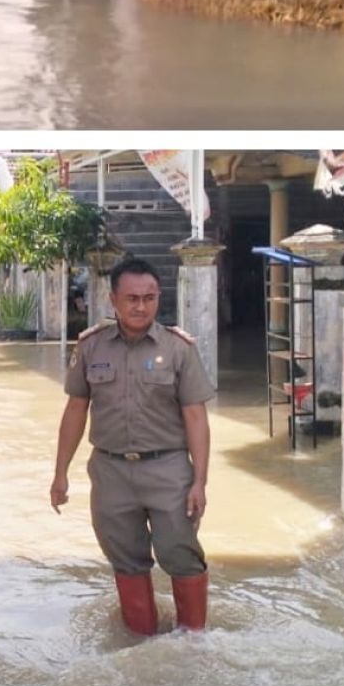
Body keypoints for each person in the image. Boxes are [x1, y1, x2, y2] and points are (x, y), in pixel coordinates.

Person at [50, 257, 213, 635]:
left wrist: (199, 481)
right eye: (132, 298)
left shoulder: (178, 349)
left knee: (180, 553)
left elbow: (196, 418)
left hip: (168, 469)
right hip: (110, 472)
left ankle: (194, 644)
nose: (141, 306)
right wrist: (60, 473)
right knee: (126, 559)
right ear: (113, 300)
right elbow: (75, 410)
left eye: (150, 298)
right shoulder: (91, 348)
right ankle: (141, 645)